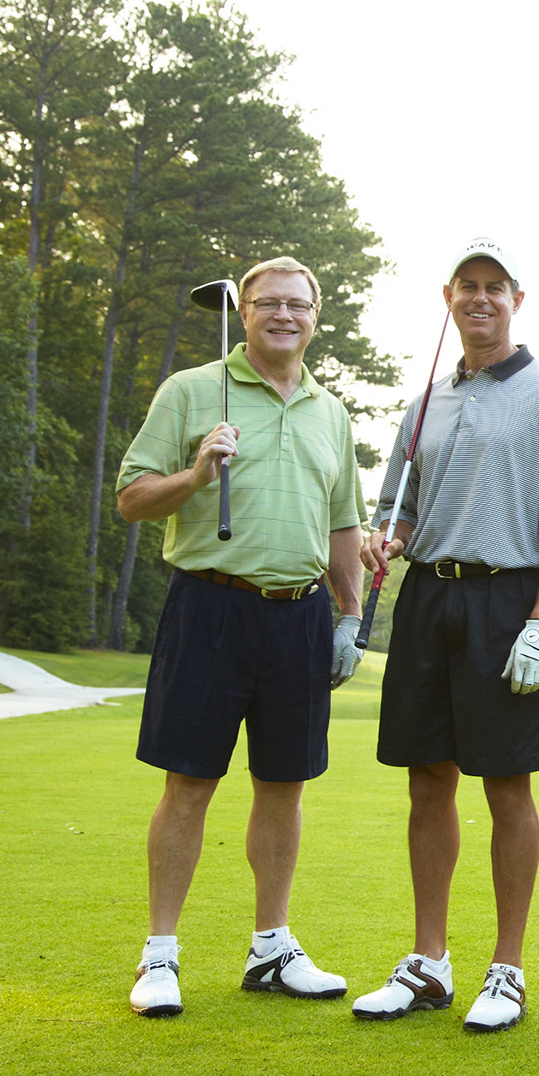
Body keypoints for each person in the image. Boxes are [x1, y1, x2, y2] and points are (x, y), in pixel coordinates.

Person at [350, 239, 539, 1031]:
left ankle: (508, 970)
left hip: (507, 599)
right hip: (428, 598)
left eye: (495, 287)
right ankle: (428, 962)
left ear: (516, 298)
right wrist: (389, 537)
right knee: (428, 780)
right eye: (468, 287)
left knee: (506, 786)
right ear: (448, 297)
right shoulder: (425, 400)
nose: (481, 299)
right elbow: (404, 507)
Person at [116, 255, 367, 1018]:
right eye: (268, 303)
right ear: (244, 310)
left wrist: (350, 615)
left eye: (298, 304)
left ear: (316, 316)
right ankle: (160, 955)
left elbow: (343, 523)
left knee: (284, 784)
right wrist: (195, 476)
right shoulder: (193, 390)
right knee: (190, 780)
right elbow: (131, 497)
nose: (283, 315)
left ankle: (271, 946)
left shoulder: (331, 410)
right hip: (210, 606)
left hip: (299, 615)